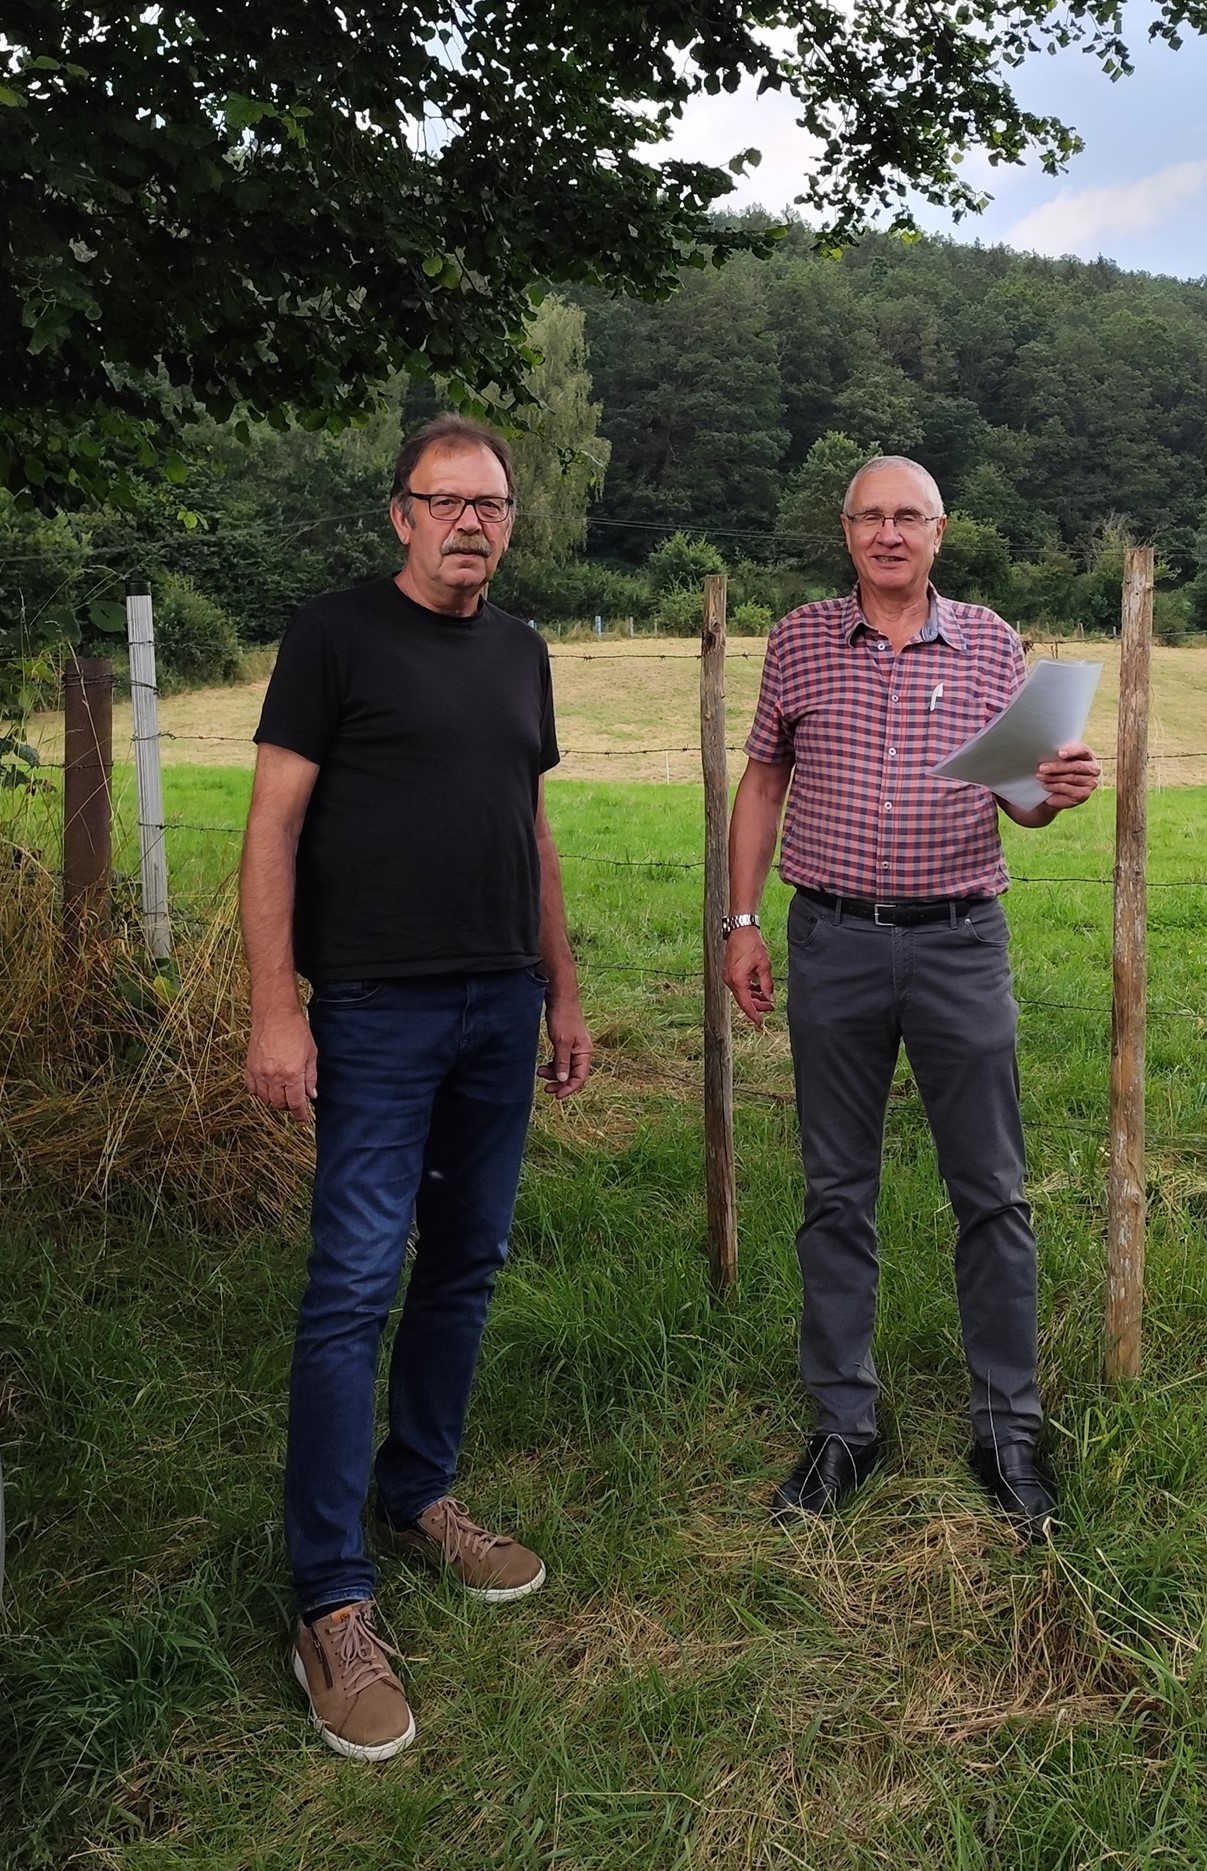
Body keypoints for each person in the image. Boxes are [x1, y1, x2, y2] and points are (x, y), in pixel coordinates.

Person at [240, 413, 591, 1762]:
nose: (471, 523)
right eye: (447, 501)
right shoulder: (333, 636)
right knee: (350, 1283)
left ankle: (420, 1490)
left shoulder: (520, 650)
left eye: (492, 504)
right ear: (400, 514)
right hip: (377, 1013)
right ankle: (331, 1593)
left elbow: (532, 824)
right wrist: (278, 1007)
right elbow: (272, 823)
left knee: (467, 1260)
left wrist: (561, 987)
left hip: (500, 1004)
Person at [723, 455, 1099, 1539]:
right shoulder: (797, 638)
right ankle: (845, 1424)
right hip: (830, 940)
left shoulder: (989, 642)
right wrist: (739, 920)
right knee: (834, 1189)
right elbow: (763, 779)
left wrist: (1052, 789)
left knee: (990, 1189)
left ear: (939, 533)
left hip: (956, 943)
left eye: (909, 517)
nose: (888, 533)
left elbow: (1019, 797)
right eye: (869, 516)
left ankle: (1005, 1427)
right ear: (845, 532)